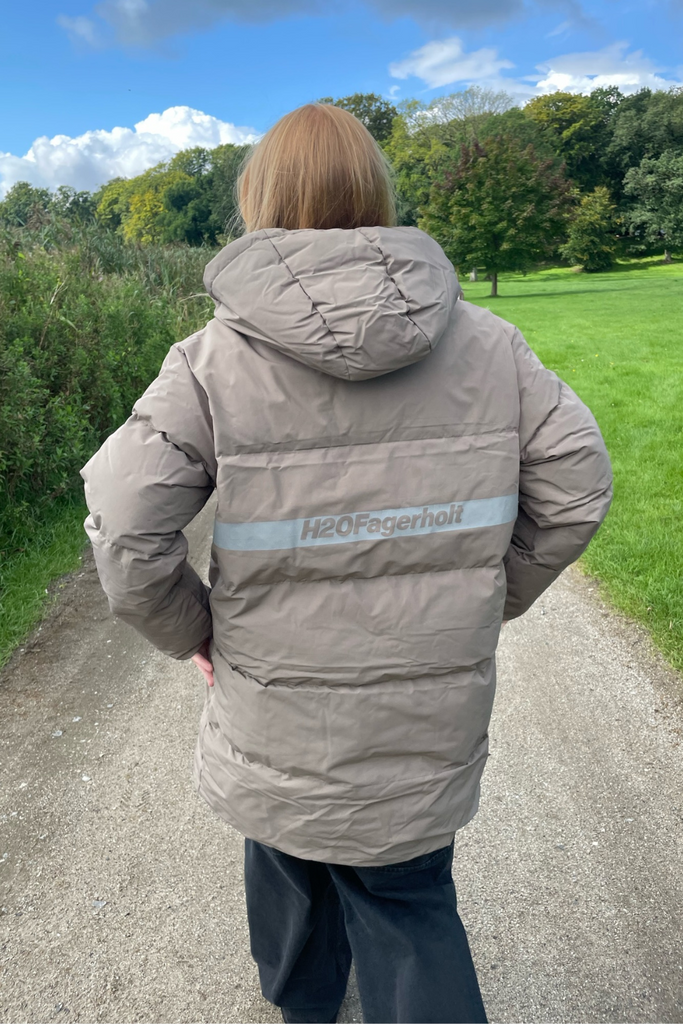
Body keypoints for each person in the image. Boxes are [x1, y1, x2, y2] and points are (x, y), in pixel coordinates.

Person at [81, 103, 612, 1024]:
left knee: (287, 854)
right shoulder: (490, 346)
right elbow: (576, 488)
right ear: (376, 193)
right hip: (423, 712)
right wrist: (488, 597)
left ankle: (305, 1007)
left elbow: (125, 526)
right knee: (406, 895)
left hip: (273, 701)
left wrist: (196, 632)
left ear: (259, 199)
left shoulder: (210, 362)